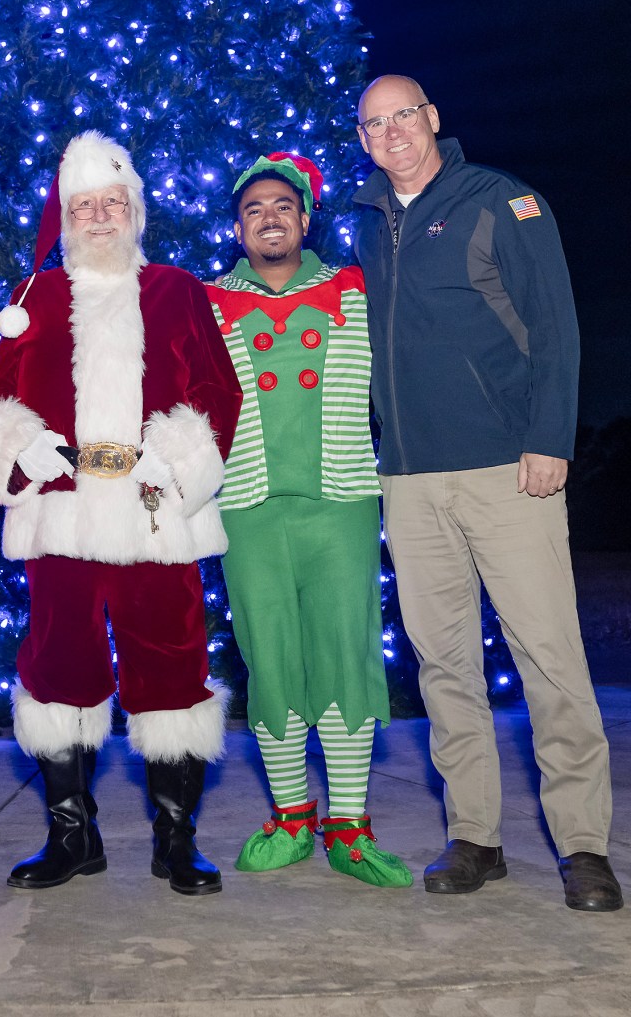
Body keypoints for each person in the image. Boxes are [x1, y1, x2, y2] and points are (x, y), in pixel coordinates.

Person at [350, 74, 622, 912]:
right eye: (375, 122)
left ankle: (583, 845)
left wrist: (549, 439)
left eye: (406, 115)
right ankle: (475, 836)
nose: (393, 132)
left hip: (508, 468)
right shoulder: (367, 225)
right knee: (444, 664)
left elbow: (556, 325)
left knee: (548, 654)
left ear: (433, 119)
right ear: (362, 139)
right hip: (410, 479)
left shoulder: (499, 200)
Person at [0, 130, 242, 896]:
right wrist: (23, 452)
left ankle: (175, 837)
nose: (98, 215)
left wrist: (180, 455)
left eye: (111, 202)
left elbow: (220, 390)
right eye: (84, 204)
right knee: (58, 669)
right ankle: (71, 833)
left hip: (158, 515)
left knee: (174, 668)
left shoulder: (178, 289)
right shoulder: (36, 299)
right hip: (63, 515)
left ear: (134, 210)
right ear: (66, 216)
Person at [206, 153, 411, 888]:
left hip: (341, 503)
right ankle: (292, 812)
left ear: (304, 218)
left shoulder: (356, 289)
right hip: (247, 506)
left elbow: (408, 368)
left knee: (347, 653)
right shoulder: (204, 304)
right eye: (254, 208)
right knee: (269, 656)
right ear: (237, 225)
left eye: (282, 206)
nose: (269, 217)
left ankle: (348, 824)